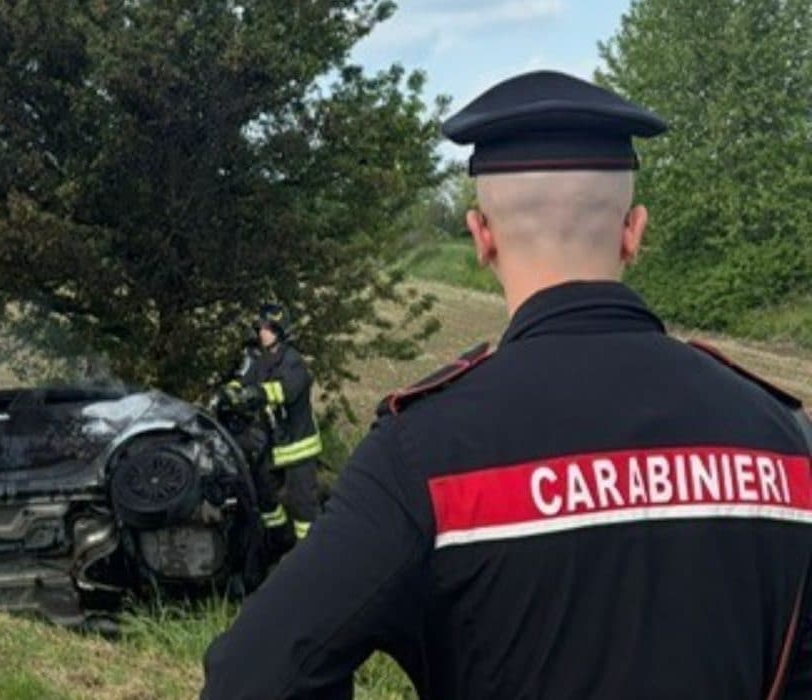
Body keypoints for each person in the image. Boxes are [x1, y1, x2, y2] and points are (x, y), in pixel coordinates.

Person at [201, 70, 812, 699]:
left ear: (481, 237)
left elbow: (253, 677)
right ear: (634, 231)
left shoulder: (423, 450)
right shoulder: (784, 438)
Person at [223, 304, 323, 547]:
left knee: (303, 507)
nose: (262, 333)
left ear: (280, 331)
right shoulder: (261, 359)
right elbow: (243, 380)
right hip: (272, 446)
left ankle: (310, 554)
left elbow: (282, 391)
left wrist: (252, 394)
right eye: (261, 328)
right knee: (264, 496)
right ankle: (278, 542)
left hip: (298, 447)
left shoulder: (293, 362)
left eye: (268, 328)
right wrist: (231, 392)